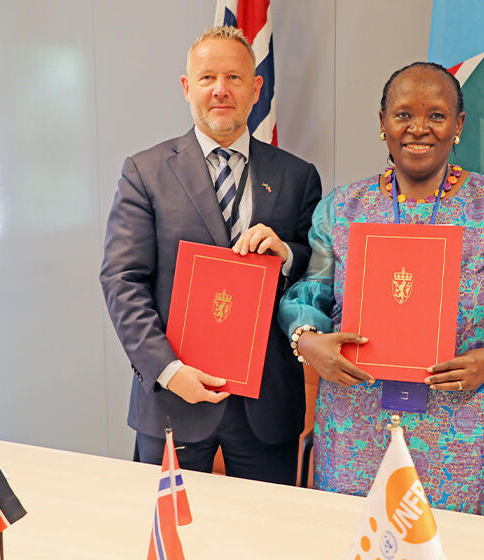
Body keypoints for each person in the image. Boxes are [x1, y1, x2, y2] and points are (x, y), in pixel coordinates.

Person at [278, 62, 484, 519]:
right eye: (403, 114)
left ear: (459, 125)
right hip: (358, 430)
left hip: (467, 432)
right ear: (382, 123)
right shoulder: (343, 207)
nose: (418, 129)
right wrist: (309, 342)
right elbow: (309, 295)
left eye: (436, 115)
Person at [100, 26, 322, 484]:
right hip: (172, 399)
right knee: (171, 542)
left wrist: (289, 256)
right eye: (206, 78)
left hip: (267, 406)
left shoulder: (298, 176)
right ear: (187, 88)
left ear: (256, 87)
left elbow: (318, 271)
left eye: (234, 78)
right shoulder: (145, 172)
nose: (220, 90)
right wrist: (167, 369)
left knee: (266, 542)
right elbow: (122, 280)